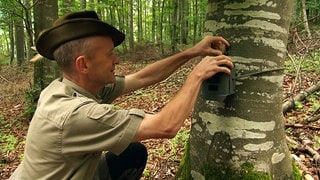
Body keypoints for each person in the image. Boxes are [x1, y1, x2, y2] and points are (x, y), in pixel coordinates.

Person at [10, 10, 233, 179]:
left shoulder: (67, 88)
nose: (117, 60)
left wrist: (192, 52)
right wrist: (197, 75)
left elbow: (142, 78)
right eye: (110, 54)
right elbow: (166, 127)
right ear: (84, 64)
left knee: (132, 152)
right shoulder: (76, 115)